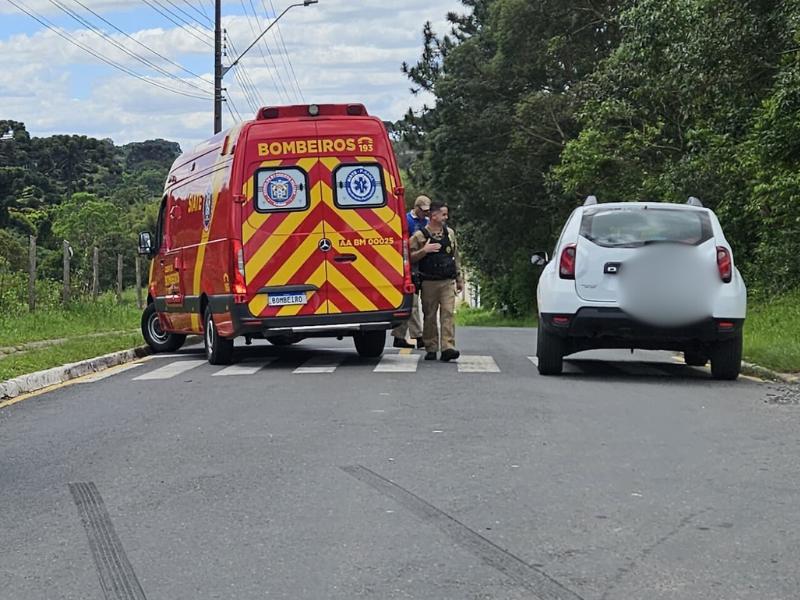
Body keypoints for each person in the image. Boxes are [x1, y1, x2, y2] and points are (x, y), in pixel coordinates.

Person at [409, 201, 463, 361]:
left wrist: (459, 278)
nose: (446, 217)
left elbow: (455, 256)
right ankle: (431, 347)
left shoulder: (450, 233)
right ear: (433, 216)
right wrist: (423, 251)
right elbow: (409, 257)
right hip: (429, 282)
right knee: (430, 316)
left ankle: (448, 347)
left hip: (447, 281)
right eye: (443, 214)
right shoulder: (420, 236)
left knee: (448, 314)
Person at [391, 195, 431, 348]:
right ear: (416, 208)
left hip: (422, 264)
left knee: (409, 303)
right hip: (409, 263)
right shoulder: (407, 220)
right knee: (412, 302)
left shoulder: (426, 222)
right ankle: (418, 336)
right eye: (423, 211)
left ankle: (399, 336)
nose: (425, 214)